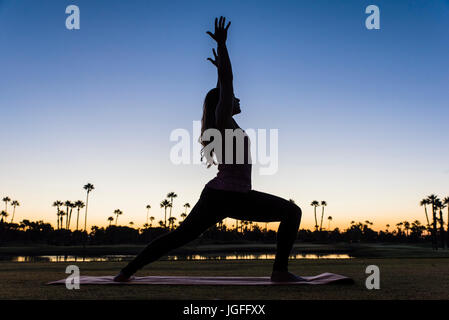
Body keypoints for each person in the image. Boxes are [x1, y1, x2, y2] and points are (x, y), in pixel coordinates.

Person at [114, 17, 303, 282]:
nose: (238, 99)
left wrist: (219, 71)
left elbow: (223, 85)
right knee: (292, 212)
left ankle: (126, 272)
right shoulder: (224, 122)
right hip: (228, 195)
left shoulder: (225, 123)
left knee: (180, 236)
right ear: (222, 105)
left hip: (224, 195)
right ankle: (280, 272)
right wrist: (223, 49)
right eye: (232, 97)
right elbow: (227, 82)